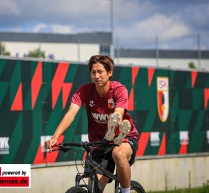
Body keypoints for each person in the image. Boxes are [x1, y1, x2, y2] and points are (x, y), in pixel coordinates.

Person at [45, 55, 139, 193]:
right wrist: (55, 137)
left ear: (110, 73)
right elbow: (71, 114)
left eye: (100, 71)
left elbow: (118, 112)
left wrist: (115, 121)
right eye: (93, 72)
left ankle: (126, 191)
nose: (96, 76)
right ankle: (110, 132)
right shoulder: (85, 91)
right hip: (99, 144)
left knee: (118, 152)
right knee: (94, 190)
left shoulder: (119, 90)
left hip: (124, 139)